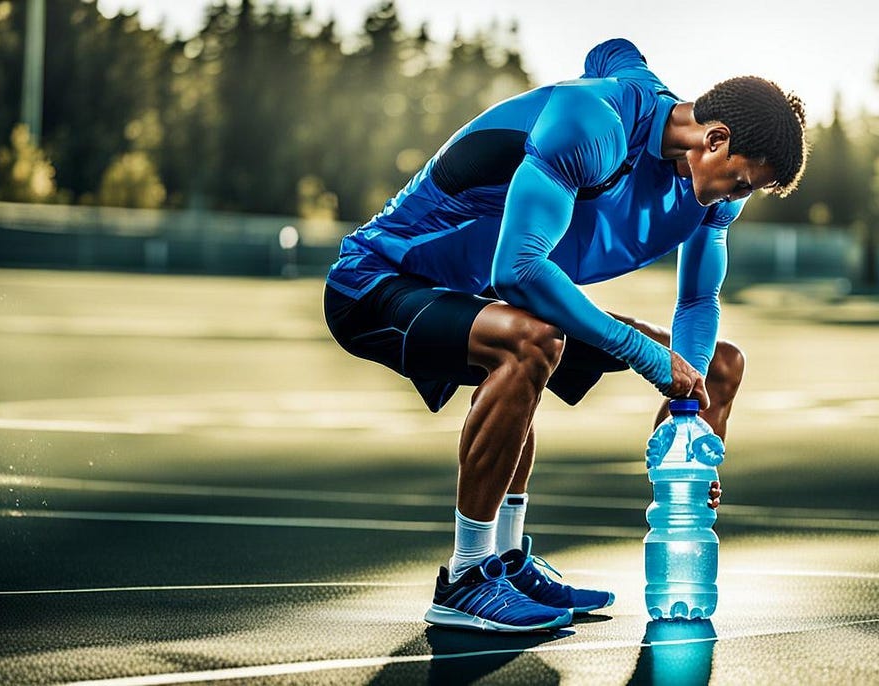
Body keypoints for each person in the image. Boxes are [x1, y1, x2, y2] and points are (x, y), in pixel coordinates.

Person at [325, 38, 807, 632]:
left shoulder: (705, 190)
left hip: (486, 298)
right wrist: (641, 353)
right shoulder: (593, 123)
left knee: (721, 365)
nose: (736, 201)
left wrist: (686, 415)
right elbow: (519, 270)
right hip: (380, 280)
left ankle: (505, 559)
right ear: (715, 140)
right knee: (531, 340)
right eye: (739, 184)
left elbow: (698, 299)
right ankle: (467, 577)